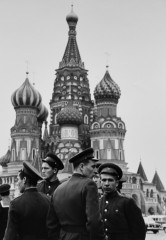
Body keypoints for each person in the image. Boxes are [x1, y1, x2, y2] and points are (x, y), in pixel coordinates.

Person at [47, 147, 105, 240]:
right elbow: (94, 222)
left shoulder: (58, 189)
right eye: (92, 167)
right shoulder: (89, 185)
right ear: (81, 166)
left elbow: (51, 224)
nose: (95, 171)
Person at [4, 161, 50, 240]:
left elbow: (10, 235)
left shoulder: (16, 204)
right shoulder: (48, 200)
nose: (17, 183)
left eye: (18, 179)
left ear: (24, 179)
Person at [98, 163, 146, 240]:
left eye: (110, 180)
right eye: (104, 180)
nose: (106, 183)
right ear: (100, 182)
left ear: (117, 183)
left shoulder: (127, 202)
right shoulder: (98, 203)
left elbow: (139, 231)